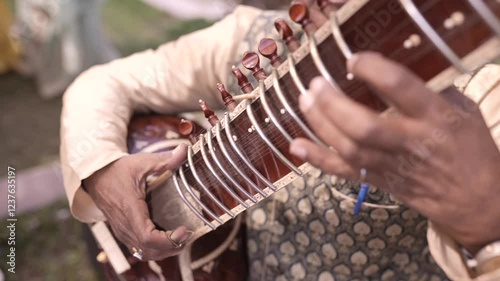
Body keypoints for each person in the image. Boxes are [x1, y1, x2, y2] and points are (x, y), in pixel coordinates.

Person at [59, 1, 500, 280]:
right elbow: (105, 83)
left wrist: (485, 227)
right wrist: (100, 166)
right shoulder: (255, 36)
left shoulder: (485, 100)